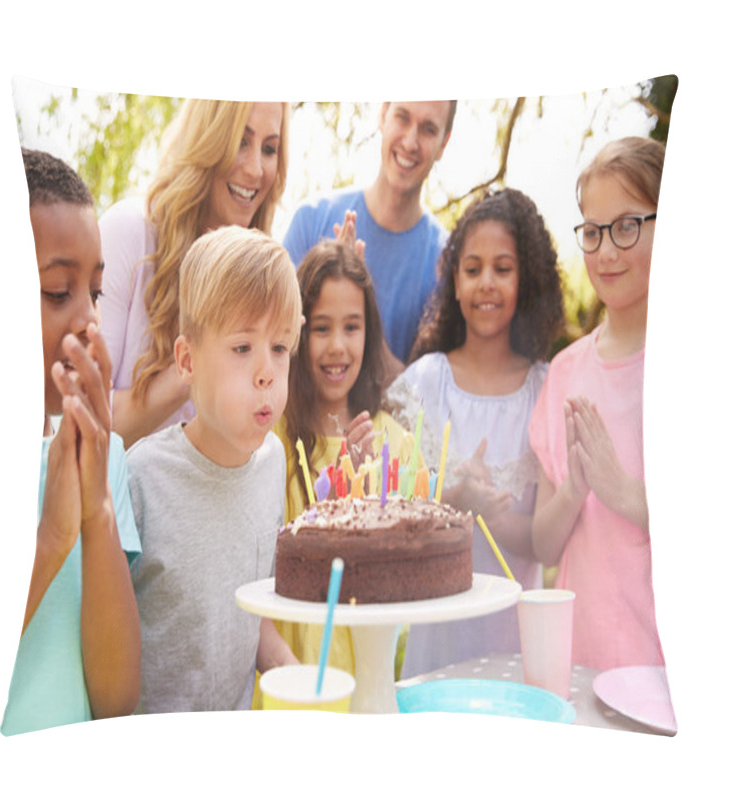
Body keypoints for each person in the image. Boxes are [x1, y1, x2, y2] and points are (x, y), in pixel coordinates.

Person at [385, 188, 564, 678]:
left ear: (525, 280)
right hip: (436, 637)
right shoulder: (423, 385)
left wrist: (485, 512)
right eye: (473, 269)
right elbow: (395, 521)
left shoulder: (544, 390)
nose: (486, 283)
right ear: (455, 283)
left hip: (514, 641)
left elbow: (542, 542)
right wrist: (452, 498)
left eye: (502, 269)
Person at [127, 225, 301, 713]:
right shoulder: (141, 478)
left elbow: (250, 612)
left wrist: (297, 675)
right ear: (186, 360)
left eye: (280, 348)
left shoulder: (273, 465)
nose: (266, 370)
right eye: (243, 348)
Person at [1, 149, 142, 736]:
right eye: (58, 291)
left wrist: (97, 514)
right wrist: (52, 538)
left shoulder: (103, 461)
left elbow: (116, 700)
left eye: (97, 292)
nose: (88, 319)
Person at [530, 136, 666, 671]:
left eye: (627, 226)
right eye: (592, 232)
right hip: (579, 669)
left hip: (665, 680)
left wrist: (625, 494)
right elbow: (544, 544)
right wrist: (575, 492)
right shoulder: (565, 372)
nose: (606, 250)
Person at [99, 99, 289, 449]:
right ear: (207, 138)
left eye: (269, 148)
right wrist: (203, 359)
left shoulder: (257, 280)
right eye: (240, 142)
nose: (255, 169)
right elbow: (86, 423)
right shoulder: (128, 234)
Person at [270, 239, 418, 682]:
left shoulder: (398, 447)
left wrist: (367, 503)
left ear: (369, 332)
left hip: (367, 691)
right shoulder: (271, 441)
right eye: (320, 328)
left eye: (351, 327)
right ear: (296, 334)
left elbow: (406, 596)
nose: (337, 346)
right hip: (288, 688)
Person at [283, 101, 456, 369]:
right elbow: (278, 351)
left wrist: (362, 299)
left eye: (428, 129)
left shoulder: (447, 264)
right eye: (402, 118)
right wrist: (326, 279)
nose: (410, 142)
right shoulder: (311, 220)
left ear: (444, 144)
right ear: (383, 115)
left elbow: (420, 397)